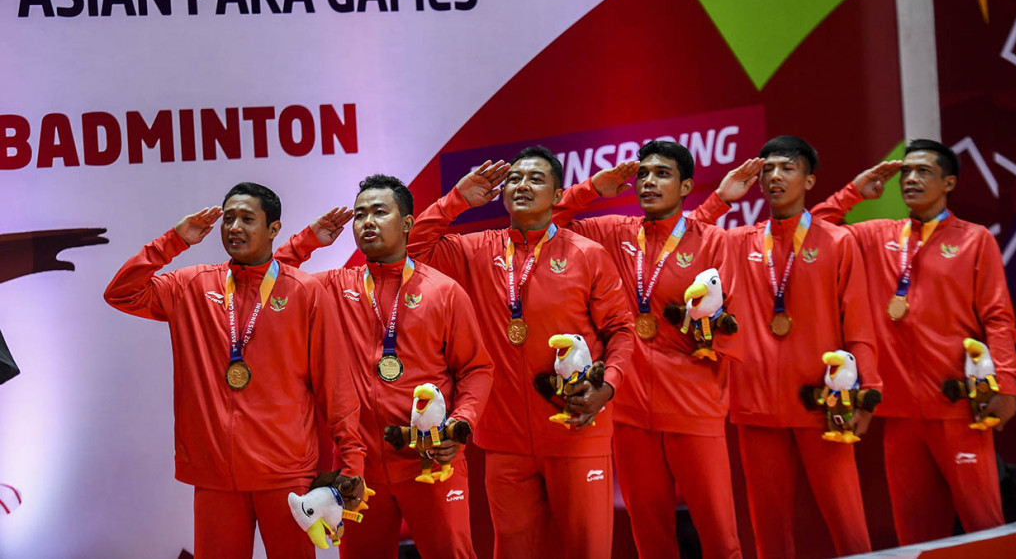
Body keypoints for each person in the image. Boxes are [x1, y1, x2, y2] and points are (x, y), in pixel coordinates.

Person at [104, 182, 364, 559]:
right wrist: (173, 241)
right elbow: (121, 293)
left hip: (286, 473)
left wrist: (352, 460)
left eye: (247, 218)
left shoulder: (304, 291)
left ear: (273, 229)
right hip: (216, 476)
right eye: (228, 219)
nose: (234, 227)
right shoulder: (191, 285)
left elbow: (335, 384)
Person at [407, 146, 634, 559]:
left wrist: (610, 388)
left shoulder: (587, 254)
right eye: (513, 179)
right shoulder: (475, 251)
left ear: (558, 193)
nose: (521, 186)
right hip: (504, 439)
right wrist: (456, 199)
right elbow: (413, 250)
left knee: (587, 550)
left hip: (576, 428)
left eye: (535, 179)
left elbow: (621, 330)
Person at [548, 140, 754, 559]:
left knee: (720, 537)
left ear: (686, 186)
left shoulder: (715, 241)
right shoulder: (613, 232)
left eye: (662, 174)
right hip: (628, 411)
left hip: (694, 407)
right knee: (650, 538)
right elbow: (546, 223)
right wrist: (591, 187)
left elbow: (734, 323)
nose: (649, 182)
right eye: (643, 174)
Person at [810, 139, 1016, 544]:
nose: (911, 178)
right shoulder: (876, 236)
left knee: (986, 530)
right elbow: (814, 234)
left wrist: (1006, 385)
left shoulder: (975, 240)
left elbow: (998, 318)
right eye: (905, 172)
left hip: (959, 408)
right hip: (900, 413)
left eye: (923, 171)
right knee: (917, 539)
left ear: (949, 182)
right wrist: (854, 191)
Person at [274, 174, 494, 559]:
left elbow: (476, 369)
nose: (367, 222)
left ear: (407, 223)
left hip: (430, 458)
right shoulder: (330, 288)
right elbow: (271, 284)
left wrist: (459, 427)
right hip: (359, 466)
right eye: (360, 215)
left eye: (379, 212)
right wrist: (307, 241)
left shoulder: (442, 290)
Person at [694, 136, 880, 558]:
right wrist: (722, 198)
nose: (775, 177)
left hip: (823, 399)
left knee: (849, 526)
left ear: (809, 179)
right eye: (768, 170)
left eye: (788, 168)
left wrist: (867, 393)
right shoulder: (737, 241)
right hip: (756, 404)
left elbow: (860, 326)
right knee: (769, 532)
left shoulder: (837, 242)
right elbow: (687, 242)